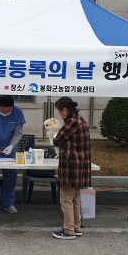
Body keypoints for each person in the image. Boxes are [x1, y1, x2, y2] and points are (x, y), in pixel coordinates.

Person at [50, 97, 91, 240]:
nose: (59, 115)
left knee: (66, 200)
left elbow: (57, 140)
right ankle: (76, 227)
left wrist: (55, 132)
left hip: (71, 166)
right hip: (81, 166)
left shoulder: (72, 122)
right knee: (75, 199)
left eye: (59, 111)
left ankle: (68, 230)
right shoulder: (81, 119)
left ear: (65, 110)